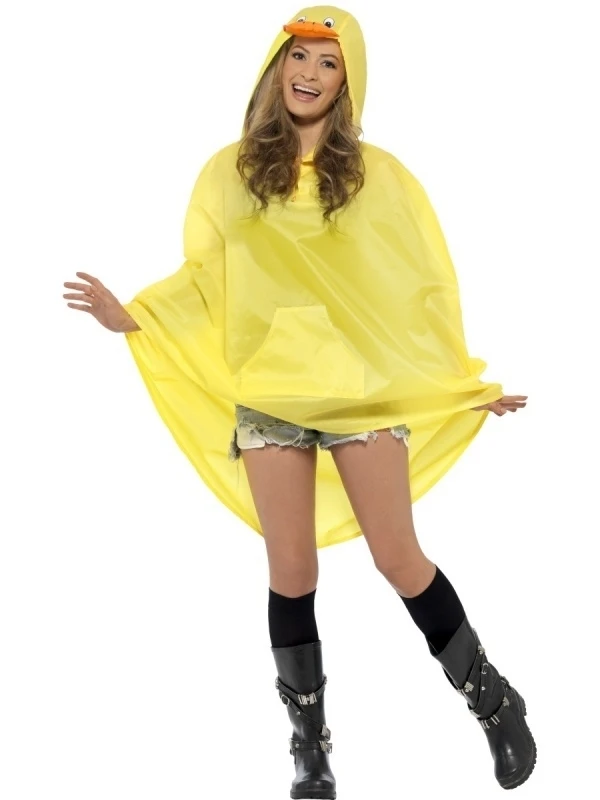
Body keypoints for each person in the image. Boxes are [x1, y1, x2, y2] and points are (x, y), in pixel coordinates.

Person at [63, 6, 536, 798]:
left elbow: (416, 289)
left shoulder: (378, 177)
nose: (309, 73)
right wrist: (133, 315)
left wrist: (458, 384)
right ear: (276, 65)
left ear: (348, 80)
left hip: (358, 391)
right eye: (299, 56)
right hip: (271, 393)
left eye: (328, 61)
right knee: (291, 569)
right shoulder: (232, 172)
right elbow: (207, 277)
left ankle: (492, 700)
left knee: (398, 557)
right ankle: (309, 746)